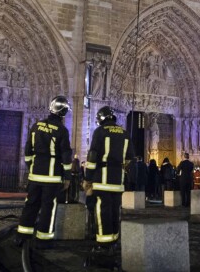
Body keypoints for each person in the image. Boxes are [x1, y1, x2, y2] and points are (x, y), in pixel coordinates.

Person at [16, 96, 73, 247]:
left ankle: (22, 235)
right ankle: (43, 238)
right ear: (63, 112)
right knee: (48, 207)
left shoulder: (36, 126)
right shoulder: (62, 130)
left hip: (35, 174)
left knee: (31, 204)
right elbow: (66, 155)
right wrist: (67, 177)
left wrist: (31, 167)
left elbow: (27, 150)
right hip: (52, 177)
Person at [82, 106, 134, 262]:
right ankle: (113, 241)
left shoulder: (100, 132)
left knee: (102, 211)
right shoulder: (125, 133)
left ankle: (104, 245)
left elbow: (92, 157)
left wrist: (88, 178)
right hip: (118, 181)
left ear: (102, 118)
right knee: (114, 211)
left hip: (102, 179)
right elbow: (130, 159)